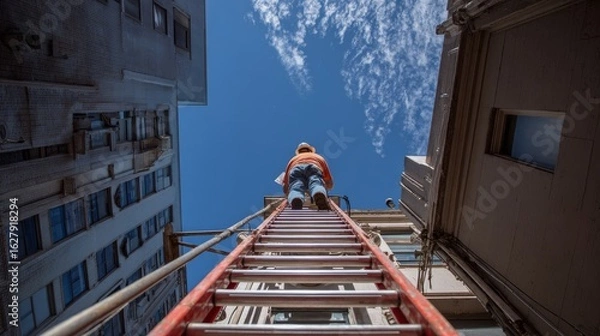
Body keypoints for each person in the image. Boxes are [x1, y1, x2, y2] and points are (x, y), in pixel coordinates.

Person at [282, 142, 334, 210]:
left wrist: (287, 191)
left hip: (295, 168)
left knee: (296, 187)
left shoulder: (292, 159)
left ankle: (295, 198)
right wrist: (327, 187)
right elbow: (329, 181)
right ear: (310, 150)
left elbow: (285, 183)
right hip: (313, 166)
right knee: (316, 182)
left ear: (299, 151)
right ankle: (318, 192)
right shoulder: (318, 157)